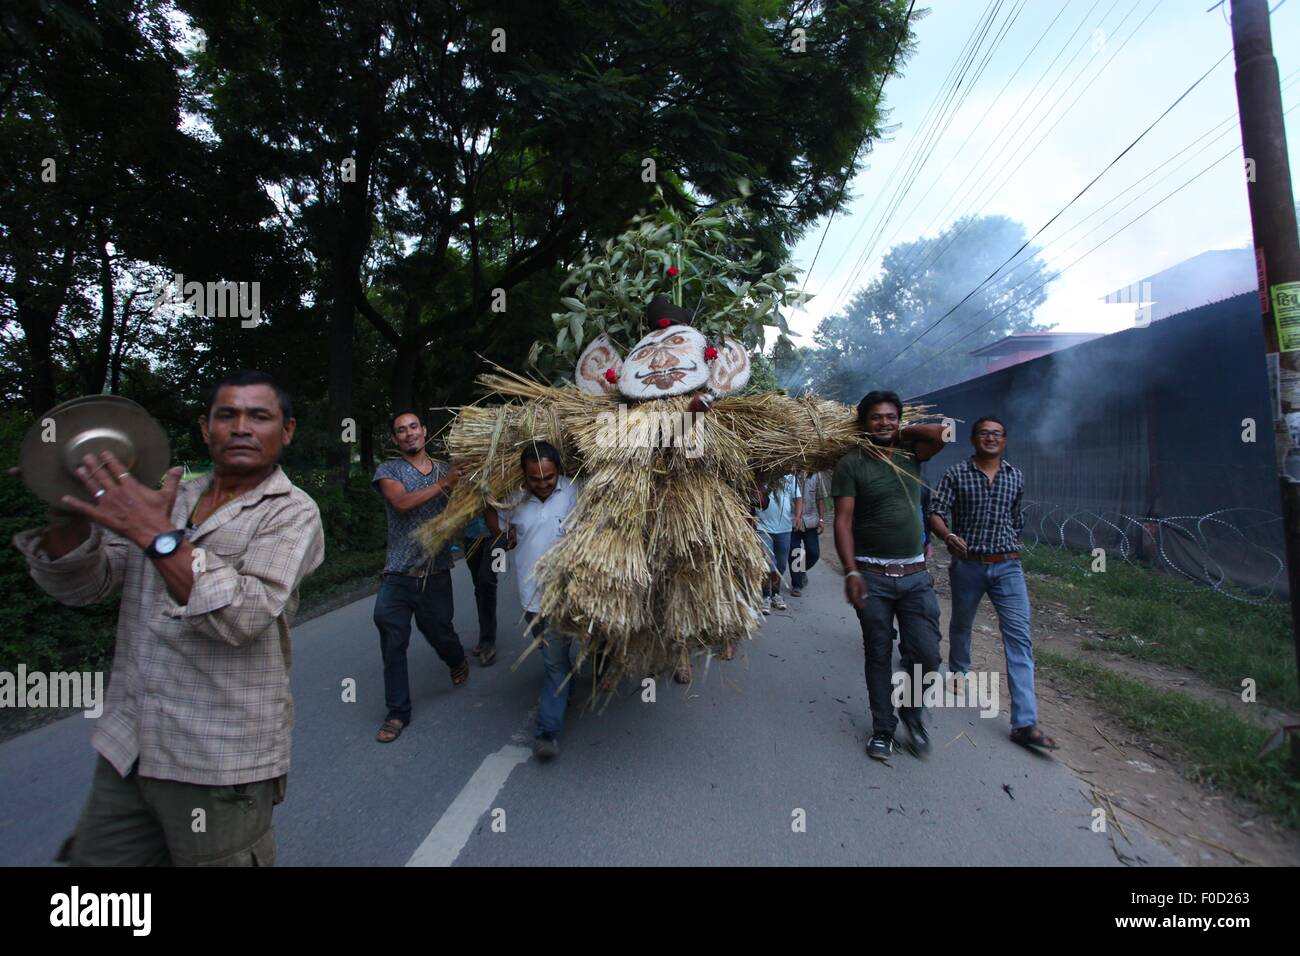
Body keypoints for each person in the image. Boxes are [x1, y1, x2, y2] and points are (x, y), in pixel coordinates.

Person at [12, 371, 324, 865]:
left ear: (286, 431)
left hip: (220, 761)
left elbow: (243, 616)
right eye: (227, 415)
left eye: (259, 416)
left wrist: (159, 537)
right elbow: (85, 586)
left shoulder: (292, 513)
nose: (242, 427)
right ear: (206, 429)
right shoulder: (167, 497)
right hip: (130, 744)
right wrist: (66, 512)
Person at [928, 416, 1058, 751]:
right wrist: (947, 535)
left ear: (1005, 440)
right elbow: (936, 511)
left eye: (997, 434)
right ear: (973, 439)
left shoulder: (1015, 476)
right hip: (968, 565)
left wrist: (1011, 543)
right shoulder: (956, 473)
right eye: (984, 433)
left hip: (1008, 566)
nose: (991, 438)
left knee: (1019, 639)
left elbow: (1017, 518)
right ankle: (958, 670)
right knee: (962, 624)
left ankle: (1024, 723)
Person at [832, 389, 946, 760]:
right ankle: (883, 729)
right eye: (876, 417)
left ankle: (912, 716)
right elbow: (843, 521)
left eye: (890, 417)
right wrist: (850, 572)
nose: (884, 422)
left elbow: (945, 434)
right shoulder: (851, 463)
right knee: (878, 653)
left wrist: (904, 432)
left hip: (915, 576)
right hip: (872, 576)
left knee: (927, 655)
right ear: (864, 423)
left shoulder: (911, 454)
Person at [372, 409, 468, 744]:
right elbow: (401, 503)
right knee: (391, 636)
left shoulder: (446, 468)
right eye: (401, 430)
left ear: (424, 431)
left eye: (414, 426)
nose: (409, 433)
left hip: (435, 570)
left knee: (440, 632)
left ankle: (455, 658)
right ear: (395, 439)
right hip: (398, 572)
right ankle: (397, 712)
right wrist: (445, 484)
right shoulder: (389, 470)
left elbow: (461, 507)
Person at [486, 441, 579, 760]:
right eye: (535, 478)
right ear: (524, 475)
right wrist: (504, 535)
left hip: (572, 593)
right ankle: (566, 679)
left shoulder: (574, 490)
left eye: (549, 477)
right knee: (554, 654)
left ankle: (546, 732)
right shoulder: (514, 496)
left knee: (554, 662)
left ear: (559, 471)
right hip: (532, 596)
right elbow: (493, 514)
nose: (542, 484)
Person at [461, 511, 504, 667]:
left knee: (488, 582)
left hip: (498, 538)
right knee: (479, 586)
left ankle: (488, 641)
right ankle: (485, 634)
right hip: (471, 536)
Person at [755, 473, 800, 612]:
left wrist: (798, 516)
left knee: (780, 565)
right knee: (767, 564)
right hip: (763, 528)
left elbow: (798, 497)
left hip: (785, 528)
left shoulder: (789, 477)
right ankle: (766, 597)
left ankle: (776, 594)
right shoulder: (760, 474)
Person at [789, 470, 826, 596]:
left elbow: (820, 498)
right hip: (792, 520)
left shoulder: (816, 474)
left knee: (813, 553)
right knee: (795, 552)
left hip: (810, 520)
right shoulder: (789, 474)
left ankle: (800, 570)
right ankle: (797, 585)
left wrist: (821, 519)